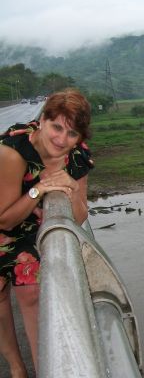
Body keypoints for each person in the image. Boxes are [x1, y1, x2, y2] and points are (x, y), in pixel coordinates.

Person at [0, 88, 94, 377]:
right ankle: (17, 367)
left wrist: (70, 185)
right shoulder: (13, 152)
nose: (61, 140)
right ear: (41, 120)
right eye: (56, 127)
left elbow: (79, 215)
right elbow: (4, 219)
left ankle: (44, 368)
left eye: (71, 134)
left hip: (28, 219)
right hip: (5, 211)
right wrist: (40, 187)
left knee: (31, 292)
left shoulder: (76, 156)